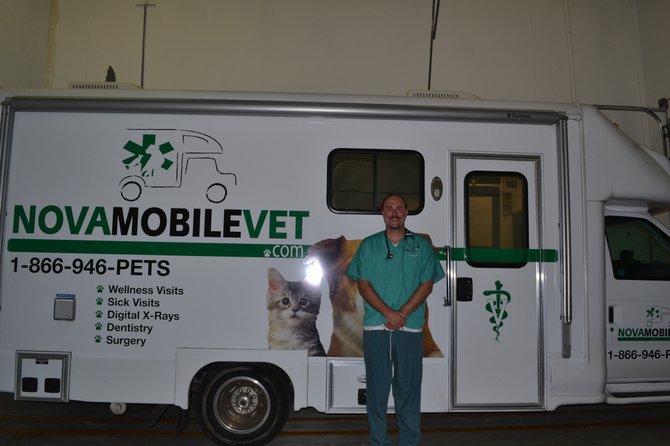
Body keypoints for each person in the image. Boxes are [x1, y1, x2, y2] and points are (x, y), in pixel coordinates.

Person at [346, 193, 445, 446]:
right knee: (377, 391)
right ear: (382, 213)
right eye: (389, 208)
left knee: (408, 391)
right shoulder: (368, 246)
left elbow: (427, 285)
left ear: (406, 212)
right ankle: (378, 440)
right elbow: (363, 284)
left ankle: (409, 441)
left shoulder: (421, 246)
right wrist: (389, 314)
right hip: (376, 328)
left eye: (399, 208)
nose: (394, 213)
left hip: (409, 328)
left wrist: (401, 314)